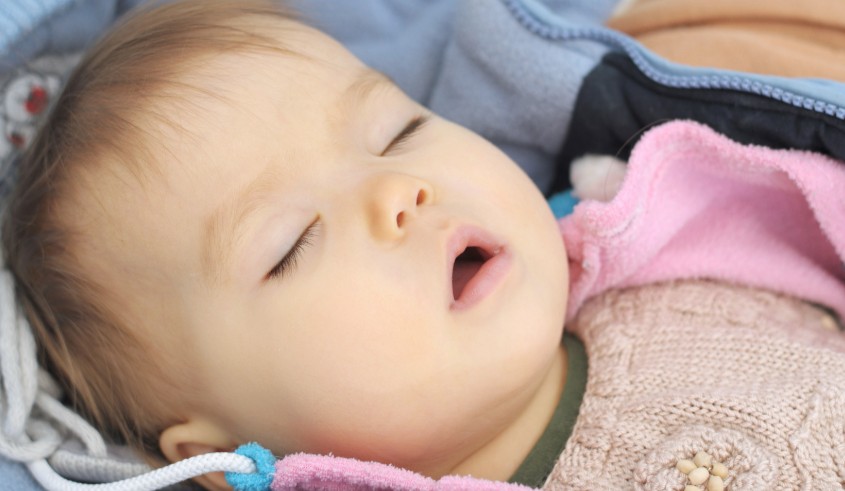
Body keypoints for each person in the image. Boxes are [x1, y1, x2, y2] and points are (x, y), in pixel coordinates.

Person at [3, 0, 844, 490]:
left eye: (398, 130)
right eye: (292, 242)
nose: (394, 193)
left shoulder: (680, 227)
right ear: (217, 457)